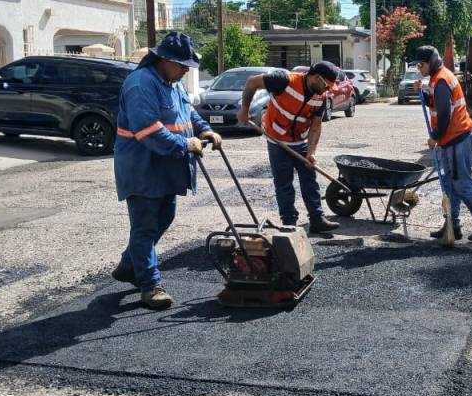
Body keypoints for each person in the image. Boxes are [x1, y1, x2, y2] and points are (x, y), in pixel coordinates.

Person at [111, 32, 222, 309]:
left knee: (164, 217)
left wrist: (205, 130)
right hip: (142, 167)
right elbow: (147, 129)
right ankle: (150, 285)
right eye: (182, 64)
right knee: (146, 226)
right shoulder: (141, 84)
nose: (186, 70)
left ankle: (129, 265)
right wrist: (186, 143)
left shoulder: (173, 83)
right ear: (164, 59)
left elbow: (188, 113)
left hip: (166, 166)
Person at [238, 62, 341, 234]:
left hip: (300, 141)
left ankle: (317, 219)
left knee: (310, 179)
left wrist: (311, 152)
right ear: (317, 78)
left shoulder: (320, 97)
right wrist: (244, 110)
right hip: (276, 139)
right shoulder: (284, 80)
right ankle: (289, 222)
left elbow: (315, 126)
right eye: (327, 85)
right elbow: (251, 82)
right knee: (284, 183)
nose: (327, 90)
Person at [415, 45, 472, 242]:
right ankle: (452, 225)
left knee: (461, 183)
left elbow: (444, 114)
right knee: (450, 185)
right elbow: (438, 104)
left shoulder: (442, 80)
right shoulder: (438, 79)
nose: (419, 68)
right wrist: (424, 94)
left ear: (431, 62)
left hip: (457, 140)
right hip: (453, 140)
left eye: (421, 64)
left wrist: (435, 136)